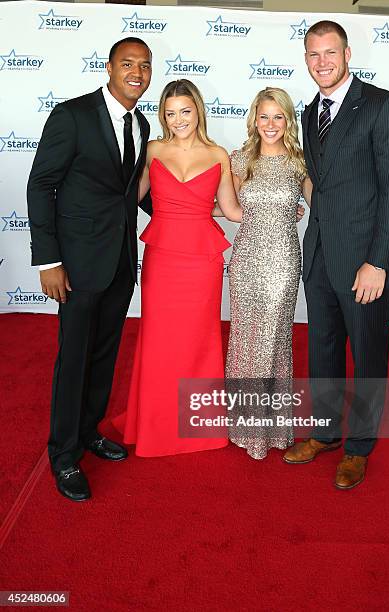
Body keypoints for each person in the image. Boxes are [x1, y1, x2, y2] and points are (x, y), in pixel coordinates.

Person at [283, 21, 389, 489]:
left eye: (330, 52)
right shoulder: (308, 112)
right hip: (318, 254)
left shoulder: (383, 107)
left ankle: (359, 446)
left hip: (365, 262)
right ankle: (324, 431)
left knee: (368, 354)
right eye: (313, 54)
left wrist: (378, 261)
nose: (322, 62)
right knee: (322, 350)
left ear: (347, 53)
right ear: (306, 58)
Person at [27, 37, 153, 501]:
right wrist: (49, 260)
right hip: (76, 265)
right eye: (127, 64)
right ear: (109, 67)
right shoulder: (73, 115)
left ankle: (88, 432)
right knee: (74, 357)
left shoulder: (141, 124)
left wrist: (197, 208)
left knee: (104, 355)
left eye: (144, 65)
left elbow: (132, 193)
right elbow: (41, 185)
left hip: (120, 262)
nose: (136, 72)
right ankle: (62, 454)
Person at [113, 79, 242, 457]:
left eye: (185, 111)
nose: (178, 119)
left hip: (202, 260)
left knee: (199, 341)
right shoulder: (152, 150)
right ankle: (154, 422)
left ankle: (199, 424)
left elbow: (231, 209)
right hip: (163, 257)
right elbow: (130, 197)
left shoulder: (219, 154)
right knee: (158, 339)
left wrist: (276, 213)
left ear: (198, 110)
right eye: (170, 113)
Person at [225, 87, 312, 460]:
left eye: (279, 117)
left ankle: (272, 430)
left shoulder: (300, 162)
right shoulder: (240, 159)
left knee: (273, 341)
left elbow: (322, 203)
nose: (271, 124)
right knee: (246, 340)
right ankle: (244, 426)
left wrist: (300, 210)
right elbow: (226, 208)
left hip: (283, 262)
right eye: (264, 116)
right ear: (254, 119)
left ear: (288, 121)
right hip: (245, 261)